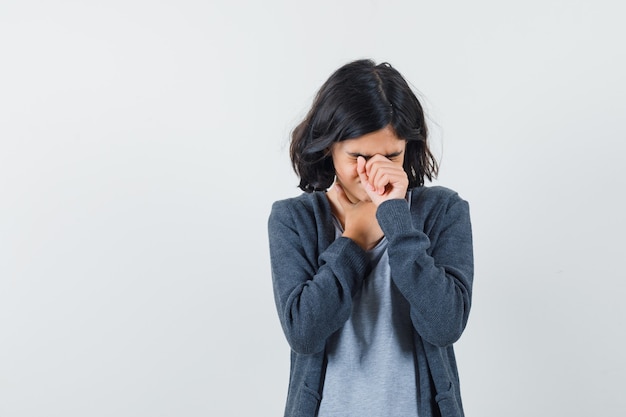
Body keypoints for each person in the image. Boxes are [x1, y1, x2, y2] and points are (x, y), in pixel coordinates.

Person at [268, 59, 473, 417]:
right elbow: (304, 333)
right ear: (328, 146)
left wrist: (395, 218)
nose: (374, 171)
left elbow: (445, 326)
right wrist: (356, 237)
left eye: (391, 155)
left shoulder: (443, 211)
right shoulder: (293, 219)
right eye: (358, 156)